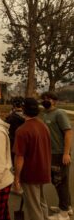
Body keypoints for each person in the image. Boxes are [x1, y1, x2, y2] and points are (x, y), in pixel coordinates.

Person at [13, 98, 51, 220]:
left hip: (30, 173)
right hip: (43, 170)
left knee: (34, 207)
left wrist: (16, 178)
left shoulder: (22, 130)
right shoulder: (43, 126)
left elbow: (19, 157)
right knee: (41, 201)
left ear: (23, 110)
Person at [41, 92, 73, 220]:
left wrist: (66, 153)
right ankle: (67, 207)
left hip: (59, 153)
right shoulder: (45, 114)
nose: (45, 100)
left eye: (48, 99)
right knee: (58, 182)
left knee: (60, 182)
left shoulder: (59, 113)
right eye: (43, 99)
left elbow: (69, 133)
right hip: (51, 153)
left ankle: (64, 214)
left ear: (55, 101)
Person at [5, 96, 25, 164]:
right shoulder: (27, 116)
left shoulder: (11, 117)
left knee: (15, 162)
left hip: (13, 142)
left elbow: (6, 126)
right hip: (24, 142)